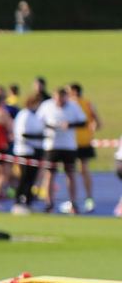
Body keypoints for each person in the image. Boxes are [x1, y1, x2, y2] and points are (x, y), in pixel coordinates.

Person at [40, 85, 87, 213]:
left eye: (62, 98)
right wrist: (50, 126)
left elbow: (83, 122)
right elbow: (39, 121)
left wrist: (70, 125)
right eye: (57, 99)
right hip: (51, 145)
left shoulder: (73, 106)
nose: (59, 102)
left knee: (70, 174)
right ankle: (49, 202)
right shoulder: (47, 106)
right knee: (49, 174)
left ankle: (73, 203)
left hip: (68, 146)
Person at [12, 88, 48, 213]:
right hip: (25, 150)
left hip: (35, 150)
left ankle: (28, 201)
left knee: (32, 178)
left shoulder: (36, 115)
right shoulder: (24, 114)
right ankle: (18, 202)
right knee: (24, 177)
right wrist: (40, 137)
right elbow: (23, 134)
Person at [71, 83, 101, 213]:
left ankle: (86, 199)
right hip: (72, 143)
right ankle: (76, 200)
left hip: (81, 142)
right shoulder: (71, 105)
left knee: (80, 171)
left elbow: (97, 123)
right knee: (75, 172)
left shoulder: (84, 104)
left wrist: (92, 126)